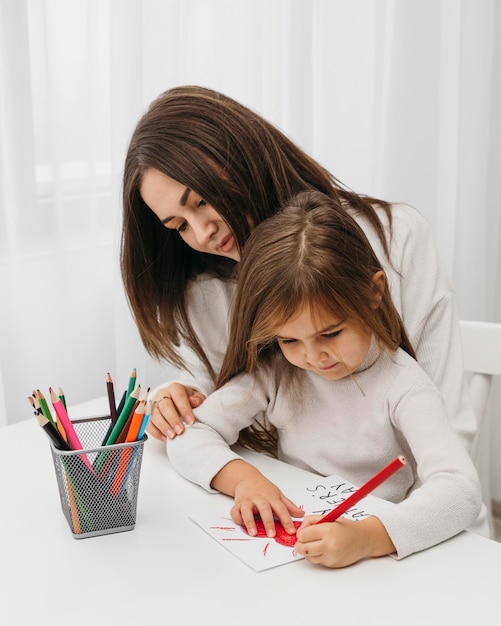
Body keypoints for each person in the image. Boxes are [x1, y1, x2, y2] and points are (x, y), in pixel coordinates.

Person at [121, 84, 474, 454]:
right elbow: (209, 387)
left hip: (406, 503)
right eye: (179, 226)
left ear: (245, 158)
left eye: (203, 200)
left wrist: (390, 515)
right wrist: (174, 398)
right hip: (299, 501)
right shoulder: (206, 286)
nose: (203, 232)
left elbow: (449, 427)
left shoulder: (394, 236)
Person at [166, 191, 482, 568]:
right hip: (299, 557)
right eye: (289, 340)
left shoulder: (403, 386)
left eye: (330, 334)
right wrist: (245, 480)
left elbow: (461, 491)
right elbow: (188, 434)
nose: (313, 358)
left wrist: (367, 538)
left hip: (377, 564)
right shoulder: (281, 372)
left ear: (374, 292)